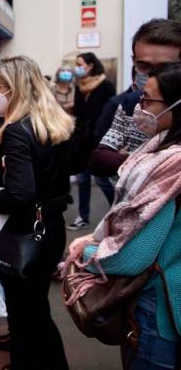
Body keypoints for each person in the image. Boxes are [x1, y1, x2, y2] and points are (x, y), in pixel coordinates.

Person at [67, 63, 181, 370]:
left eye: (148, 100)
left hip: (160, 311)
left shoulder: (171, 167)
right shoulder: (159, 147)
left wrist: (86, 251)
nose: (140, 108)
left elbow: (132, 257)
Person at [0, 55, 74, 370]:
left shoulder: (17, 131)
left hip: (26, 232)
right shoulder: (54, 122)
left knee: (26, 311)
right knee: (34, 309)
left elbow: (20, 195)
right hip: (50, 227)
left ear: (14, 89)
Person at [89, 19, 181, 177]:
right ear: (134, 62)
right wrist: (149, 163)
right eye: (144, 66)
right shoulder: (130, 103)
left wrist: (124, 158)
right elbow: (99, 159)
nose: (152, 76)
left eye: (164, 68)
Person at [67, 52, 117, 230]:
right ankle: (83, 216)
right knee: (82, 179)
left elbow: (109, 115)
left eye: (80, 64)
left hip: (99, 140)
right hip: (81, 141)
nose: (77, 67)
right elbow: (80, 114)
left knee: (102, 180)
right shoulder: (79, 87)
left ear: (90, 66)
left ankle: (118, 211)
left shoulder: (106, 87)